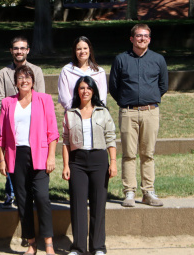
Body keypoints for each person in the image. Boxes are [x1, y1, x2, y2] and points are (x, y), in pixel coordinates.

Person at [0, 65, 58, 255]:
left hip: (39, 155)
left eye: (28, 77)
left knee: (42, 198)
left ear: (33, 80)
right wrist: (2, 160)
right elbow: (2, 137)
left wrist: (51, 156)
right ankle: (31, 243)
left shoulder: (44, 99)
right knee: (23, 201)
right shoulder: (8, 103)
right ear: (15, 82)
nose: (24, 80)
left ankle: (48, 243)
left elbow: (53, 132)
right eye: (20, 77)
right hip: (16, 156)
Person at [109, 23, 168, 207]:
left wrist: (151, 100)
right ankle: (129, 192)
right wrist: (125, 101)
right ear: (132, 38)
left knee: (148, 153)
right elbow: (114, 86)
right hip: (128, 113)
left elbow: (163, 85)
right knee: (128, 154)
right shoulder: (121, 59)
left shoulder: (158, 60)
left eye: (146, 36)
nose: (142, 39)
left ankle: (148, 191)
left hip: (151, 112)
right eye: (138, 36)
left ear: (149, 39)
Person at [62, 76, 117, 255]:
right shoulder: (70, 113)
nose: (85, 91)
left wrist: (113, 162)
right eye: (82, 88)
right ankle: (78, 247)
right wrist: (66, 165)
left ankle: (98, 247)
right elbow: (65, 142)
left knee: (98, 203)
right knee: (77, 204)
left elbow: (111, 138)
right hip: (77, 161)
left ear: (93, 91)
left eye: (88, 88)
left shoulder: (103, 112)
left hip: (99, 159)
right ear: (77, 91)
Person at [0, 36, 46, 209]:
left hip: (32, 123)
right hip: (11, 121)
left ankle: (27, 194)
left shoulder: (36, 71)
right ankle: (10, 192)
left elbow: (41, 98)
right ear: (11, 51)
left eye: (22, 48)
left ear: (28, 50)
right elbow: (0, 99)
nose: (19, 51)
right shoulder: (4, 73)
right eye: (16, 48)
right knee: (11, 158)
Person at [58, 36, 107, 111]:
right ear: (74, 51)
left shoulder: (99, 72)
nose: (82, 51)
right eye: (79, 49)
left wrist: (94, 111)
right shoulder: (66, 71)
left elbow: (102, 97)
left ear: (90, 50)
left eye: (85, 48)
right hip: (73, 114)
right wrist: (75, 111)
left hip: (95, 114)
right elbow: (64, 97)